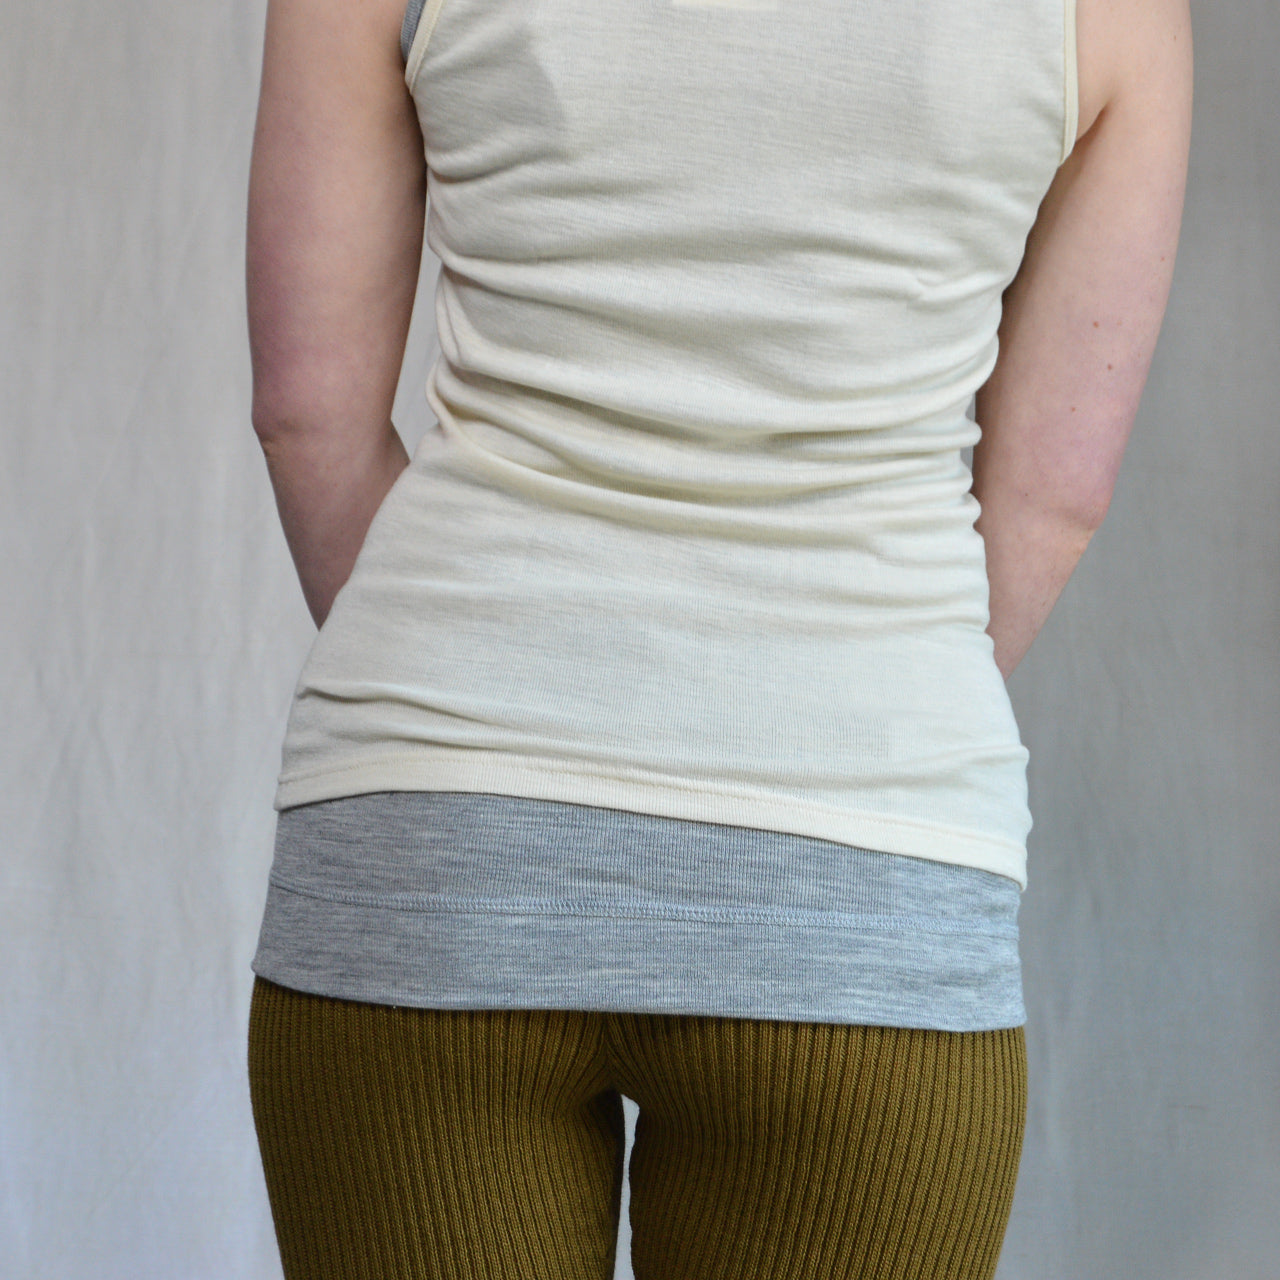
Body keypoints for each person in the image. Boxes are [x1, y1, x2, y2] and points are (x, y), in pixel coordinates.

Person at [243, 0, 1192, 1275]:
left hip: (431, 856)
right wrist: (859, 694)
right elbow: (1051, 495)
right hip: (866, 875)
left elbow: (307, 415)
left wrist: (467, 684)